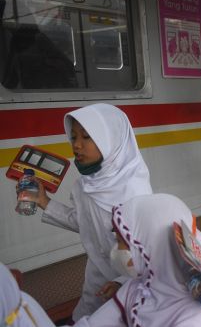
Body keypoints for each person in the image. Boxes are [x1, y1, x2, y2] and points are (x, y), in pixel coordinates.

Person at [20, 104, 152, 321]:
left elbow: (150, 256)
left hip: (131, 282)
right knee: (84, 316)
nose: (76, 146)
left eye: (86, 137)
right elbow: (85, 223)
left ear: (111, 139)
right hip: (96, 277)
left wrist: (122, 283)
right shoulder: (85, 184)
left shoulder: (135, 193)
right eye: (73, 137)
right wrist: (44, 202)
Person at [72, 194, 201, 327]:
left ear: (149, 248)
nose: (115, 251)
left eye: (120, 243)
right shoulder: (142, 288)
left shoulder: (200, 317)